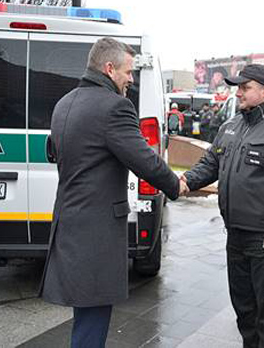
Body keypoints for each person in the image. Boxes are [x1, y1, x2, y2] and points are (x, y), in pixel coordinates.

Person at [39, 37, 185, 348]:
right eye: (128, 72)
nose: (131, 79)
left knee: (86, 315)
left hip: (69, 225)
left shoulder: (63, 104)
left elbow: (56, 153)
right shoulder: (115, 107)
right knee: (93, 321)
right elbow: (143, 159)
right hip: (96, 233)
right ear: (109, 68)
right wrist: (176, 184)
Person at [182, 64, 264, 347]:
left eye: (245, 87)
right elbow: (210, 163)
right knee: (245, 312)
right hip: (235, 237)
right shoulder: (231, 126)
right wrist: (184, 182)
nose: (238, 93)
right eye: (238, 87)